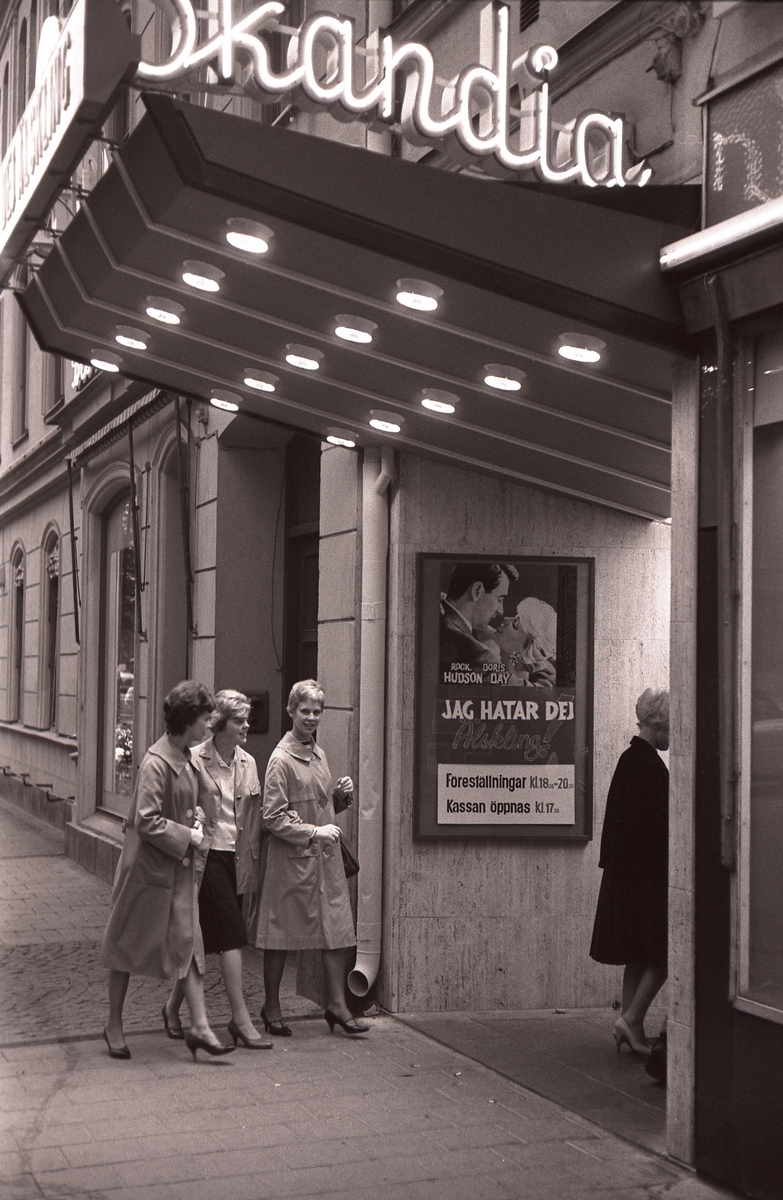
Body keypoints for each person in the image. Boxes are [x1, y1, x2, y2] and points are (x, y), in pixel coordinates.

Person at [101, 681, 234, 1062]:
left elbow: (205, 796)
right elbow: (145, 820)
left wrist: (205, 792)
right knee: (125, 946)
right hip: (145, 873)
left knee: (189, 944)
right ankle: (113, 1023)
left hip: (176, 871)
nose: (210, 724)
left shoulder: (187, 755)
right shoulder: (156, 763)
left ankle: (200, 1027)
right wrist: (189, 836)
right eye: (205, 717)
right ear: (188, 719)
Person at [253, 679, 368, 1037]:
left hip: (324, 859)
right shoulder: (280, 760)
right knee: (280, 935)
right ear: (291, 711)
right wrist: (313, 832)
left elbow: (318, 805)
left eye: (317, 712)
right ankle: (271, 1007)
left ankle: (336, 1005)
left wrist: (339, 798)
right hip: (292, 860)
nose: (312, 717)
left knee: (335, 932)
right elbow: (272, 817)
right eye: (305, 711)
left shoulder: (318, 753)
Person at [164, 690, 272, 1050]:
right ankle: (241, 1020)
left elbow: (256, 816)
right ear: (221, 724)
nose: (247, 726)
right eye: (240, 720)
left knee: (204, 941)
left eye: (247, 719)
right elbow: (179, 805)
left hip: (237, 859)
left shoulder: (249, 763)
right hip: (204, 856)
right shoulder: (195, 758)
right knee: (231, 936)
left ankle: (171, 1009)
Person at [589, 687, 670, 1056]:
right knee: (663, 955)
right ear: (659, 723)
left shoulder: (630, 759)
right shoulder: (648, 766)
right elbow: (653, 830)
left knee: (638, 953)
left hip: (626, 875)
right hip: (645, 877)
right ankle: (632, 1019)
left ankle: (629, 1025)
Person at [439, 562, 517, 669]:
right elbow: (534, 686)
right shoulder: (478, 653)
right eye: (499, 599)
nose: (501, 611)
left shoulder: (437, 617)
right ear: (476, 591)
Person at [494, 596, 558, 686]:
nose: (506, 619)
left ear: (527, 649)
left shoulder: (542, 684)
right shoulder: (507, 659)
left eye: (515, 625)